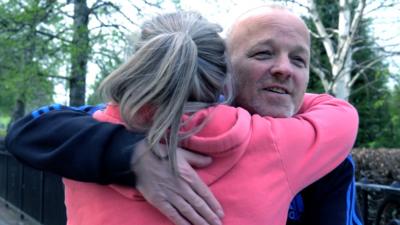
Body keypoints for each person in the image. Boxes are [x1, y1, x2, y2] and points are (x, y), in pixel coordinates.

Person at [5, 5, 363, 225]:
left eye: (298, 61)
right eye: (263, 55)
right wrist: (130, 154)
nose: (284, 69)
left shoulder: (327, 161)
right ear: (224, 71)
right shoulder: (126, 122)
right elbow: (29, 131)